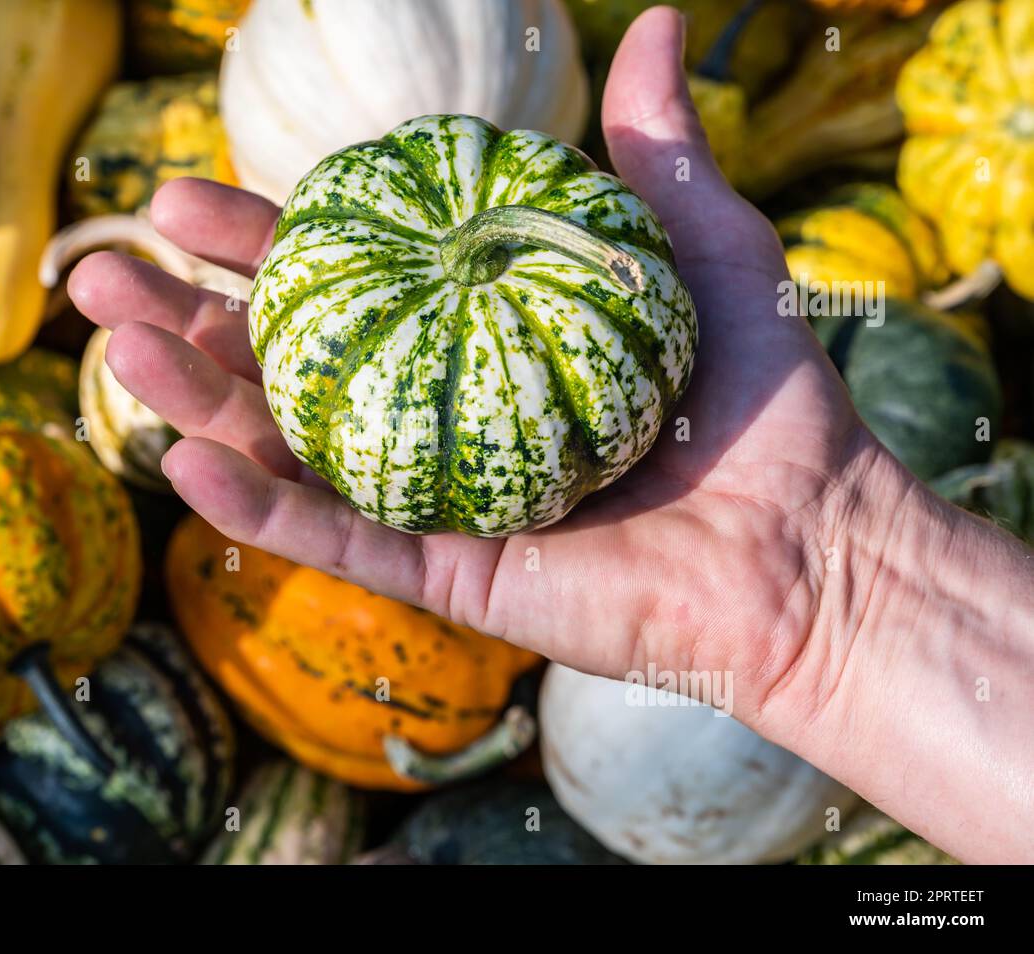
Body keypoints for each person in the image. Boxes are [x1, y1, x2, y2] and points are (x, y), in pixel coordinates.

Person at [69, 7, 1033, 863]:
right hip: (420, 230)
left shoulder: (567, 235)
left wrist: (846, 599)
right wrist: (851, 606)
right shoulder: (422, 218)